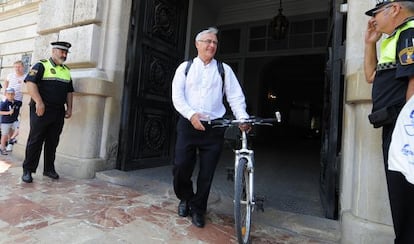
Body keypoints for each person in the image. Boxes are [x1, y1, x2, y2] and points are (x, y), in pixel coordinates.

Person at [171, 27, 250, 228]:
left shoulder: (224, 70)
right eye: (207, 41)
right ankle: (186, 198)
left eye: (214, 42)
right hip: (188, 125)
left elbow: (235, 97)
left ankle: (198, 209)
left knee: (206, 174)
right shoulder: (185, 68)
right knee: (181, 167)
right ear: (197, 44)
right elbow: (177, 97)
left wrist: (242, 118)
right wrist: (191, 115)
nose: (212, 45)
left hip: (214, 128)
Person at [364, 1, 414, 243]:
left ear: (394, 9)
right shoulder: (393, 39)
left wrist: (409, 130)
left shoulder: (410, 33)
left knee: (405, 195)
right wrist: (369, 43)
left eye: (376, 14)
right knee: (400, 194)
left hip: (404, 130)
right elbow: (370, 75)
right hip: (396, 127)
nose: (373, 19)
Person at [21, 41, 74, 183]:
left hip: (58, 112)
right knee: (35, 140)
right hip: (41, 109)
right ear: (54, 51)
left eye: (66, 52)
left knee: (53, 141)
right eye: (62, 52)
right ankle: (28, 170)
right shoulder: (41, 65)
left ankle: (49, 169)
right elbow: (30, 83)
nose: (64, 55)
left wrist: (69, 108)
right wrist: (39, 102)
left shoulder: (66, 70)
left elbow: (69, 91)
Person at [4, 60, 25, 151]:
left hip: (18, 101)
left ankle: (11, 140)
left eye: (19, 66)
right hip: (8, 101)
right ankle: (10, 140)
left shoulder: (25, 77)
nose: (17, 68)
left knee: (16, 123)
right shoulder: (10, 75)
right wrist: (5, 92)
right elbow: (6, 82)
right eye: (15, 67)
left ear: (23, 67)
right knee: (8, 122)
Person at [0, 88, 22, 155]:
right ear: (6, 95)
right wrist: (8, 112)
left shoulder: (18, 103)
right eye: (8, 94)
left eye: (12, 94)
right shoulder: (4, 103)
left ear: (14, 94)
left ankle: (11, 139)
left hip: (14, 120)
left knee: (19, 129)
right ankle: (2, 148)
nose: (10, 95)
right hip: (5, 122)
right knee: (4, 135)